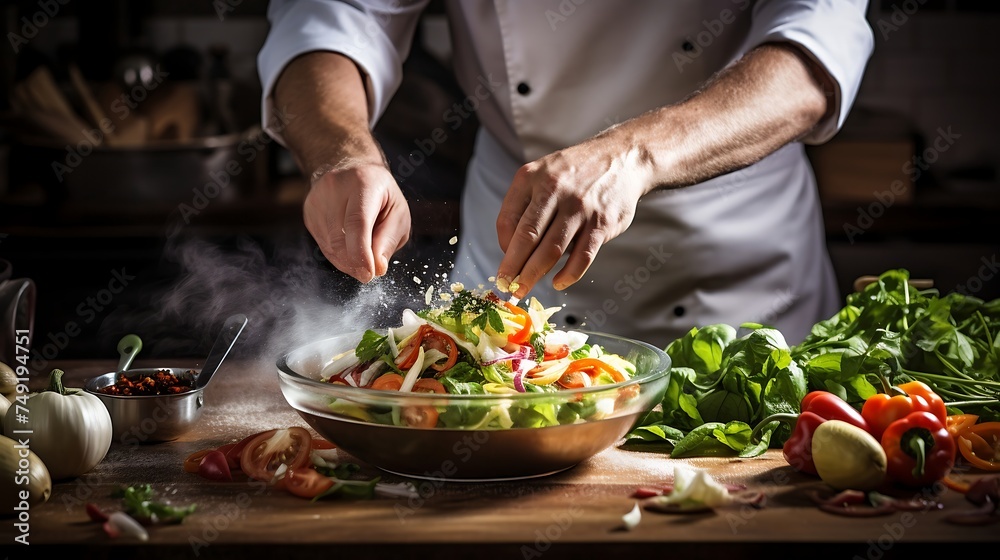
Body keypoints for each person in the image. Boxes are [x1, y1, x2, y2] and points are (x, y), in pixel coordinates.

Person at [257, 0, 874, 348]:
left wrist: (635, 154)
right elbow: (335, 16)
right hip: (513, 231)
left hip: (735, 248)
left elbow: (814, 47)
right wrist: (343, 155)